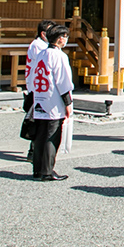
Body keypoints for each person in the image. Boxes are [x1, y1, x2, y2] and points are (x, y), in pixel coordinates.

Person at [32, 24, 73, 181]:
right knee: (52, 136)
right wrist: (68, 103)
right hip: (54, 101)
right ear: (61, 38)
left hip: (40, 98)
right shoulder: (59, 56)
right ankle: (47, 170)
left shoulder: (42, 53)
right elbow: (63, 81)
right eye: (65, 37)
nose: (66, 40)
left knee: (40, 136)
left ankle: (37, 169)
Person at [24, 19, 55, 162]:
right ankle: (33, 151)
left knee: (39, 119)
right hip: (37, 89)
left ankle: (35, 150)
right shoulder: (38, 46)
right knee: (38, 120)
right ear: (43, 33)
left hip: (39, 87)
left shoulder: (41, 45)